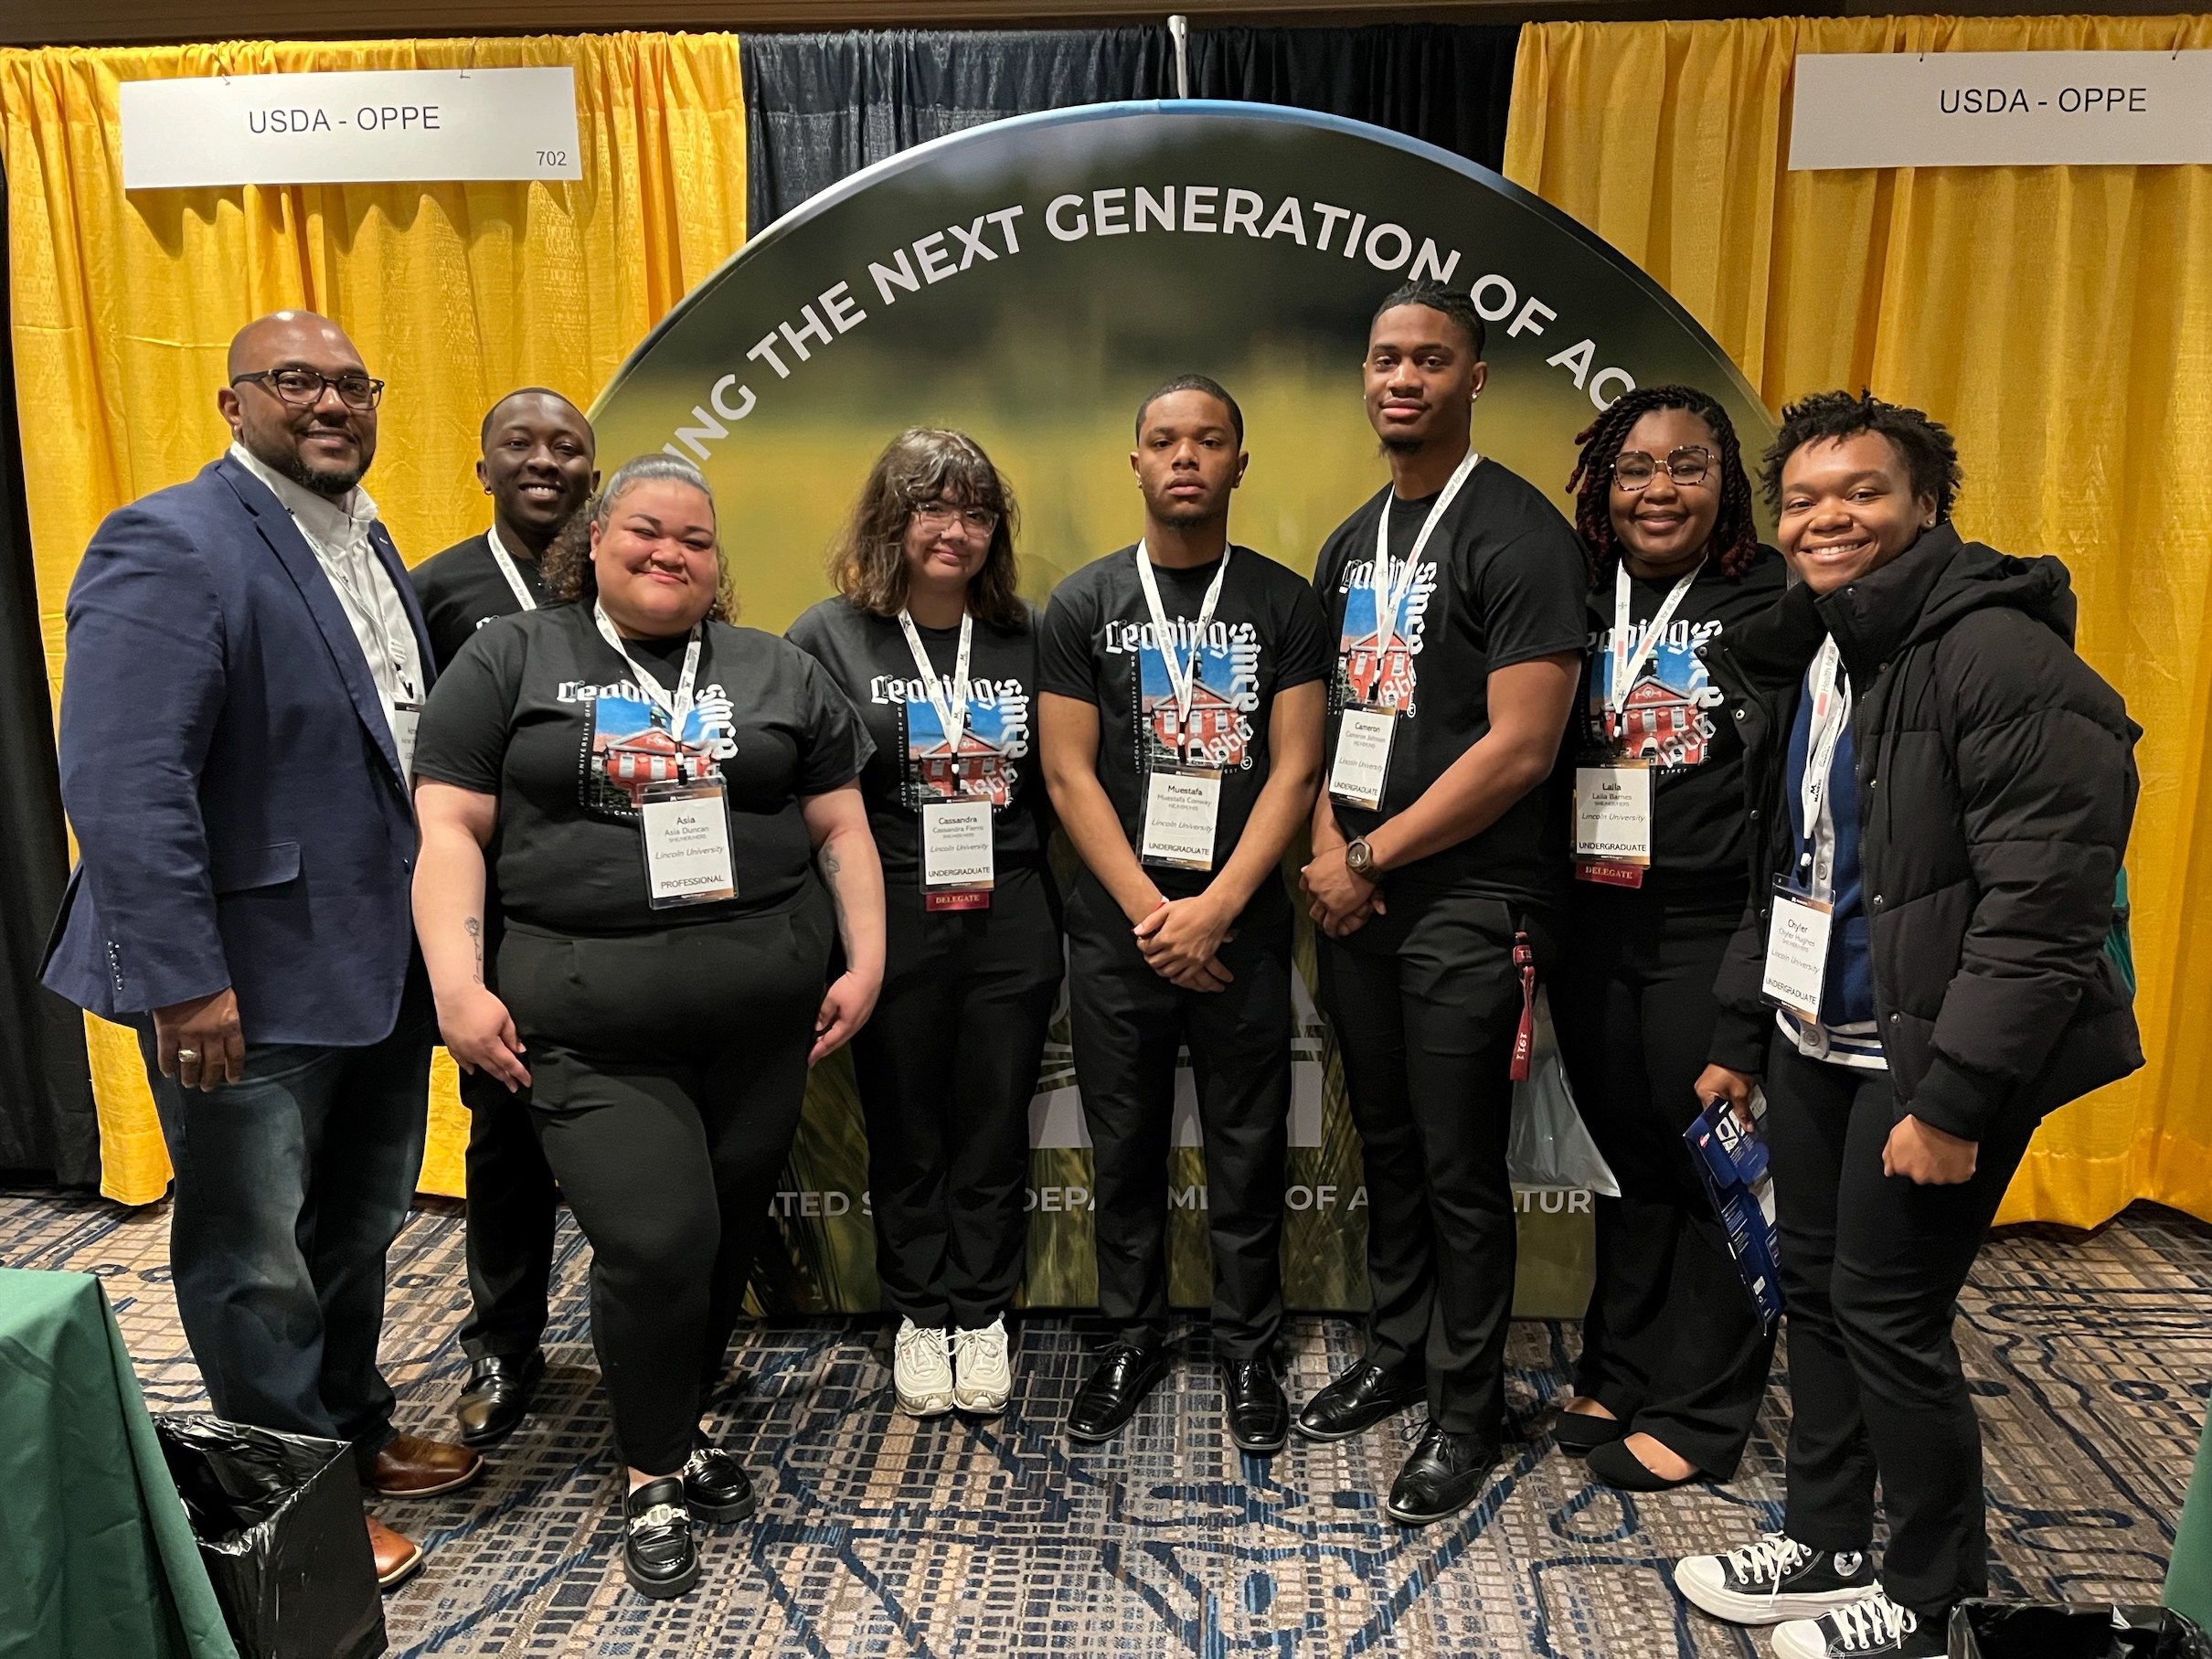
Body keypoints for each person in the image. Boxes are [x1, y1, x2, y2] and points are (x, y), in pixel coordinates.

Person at [1672, 393, 2142, 1658]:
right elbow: (1793, 864)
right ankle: (1825, 1538)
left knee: (1889, 1311)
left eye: (1863, 492)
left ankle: (1937, 1593)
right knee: (1816, 1293)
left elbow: (2048, 906)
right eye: (1807, 497)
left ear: (1926, 505)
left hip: (1934, 1050)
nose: (1830, 518)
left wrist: (1952, 1100)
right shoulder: (1823, 646)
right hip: (1820, 1030)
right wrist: (1741, 1024)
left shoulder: (1999, 657)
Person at [43, 310, 481, 1592]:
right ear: (234, 403)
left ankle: (347, 1426)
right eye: (297, 381)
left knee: (353, 1224)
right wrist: (183, 975)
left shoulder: (364, 535)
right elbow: (122, 775)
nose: (332, 403)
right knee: (251, 1253)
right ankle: (292, 1502)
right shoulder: (171, 541)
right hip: (239, 980)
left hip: (370, 960)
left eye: (355, 383)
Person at [409, 453, 884, 1600]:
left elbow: (840, 828)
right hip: (586, 1026)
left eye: (695, 539)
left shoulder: (772, 668)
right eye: (644, 531)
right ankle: (650, 1471)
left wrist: (866, 958)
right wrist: (458, 986)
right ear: (595, 542)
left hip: (761, 1022)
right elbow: (451, 835)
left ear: (719, 563)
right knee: (657, 1240)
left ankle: (680, 1418)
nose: (669, 552)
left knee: (717, 1238)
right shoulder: (511, 656)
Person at [1298, 281, 1588, 1526]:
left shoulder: (1519, 535)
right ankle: (1400, 1342)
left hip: (1471, 897)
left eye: (1429, 359)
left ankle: (1467, 1403)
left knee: (1464, 1165)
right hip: (1360, 894)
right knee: (1395, 1150)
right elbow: (1326, 724)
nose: (1400, 379)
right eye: (1382, 360)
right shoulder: (1353, 538)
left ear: (1476, 378)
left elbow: (1522, 747)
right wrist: (1327, 850)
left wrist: (1370, 860)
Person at [1037, 374, 1327, 1453]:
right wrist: (1159, 915)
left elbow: (1297, 770)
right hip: (1119, 927)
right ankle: (1127, 1337)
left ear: (1239, 464)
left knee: (1247, 1146)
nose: (1186, 459)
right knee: (1125, 1146)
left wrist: (1214, 911)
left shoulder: (1284, 602)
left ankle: (1249, 1350)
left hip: (1239, 923)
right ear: (1136, 462)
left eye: (1209, 440)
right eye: (1164, 441)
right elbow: (1067, 775)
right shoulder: (1082, 603)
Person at [787, 430, 1059, 1420]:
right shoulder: (827, 636)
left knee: (992, 1119)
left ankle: (979, 1312)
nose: (955, 531)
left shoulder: (1028, 635)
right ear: (889, 522)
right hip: (889, 912)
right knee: (905, 1125)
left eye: (976, 512)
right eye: (931, 509)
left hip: (1011, 911)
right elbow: (807, 796)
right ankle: (919, 1310)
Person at [1544, 386, 1786, 1493]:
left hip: (1709, 917)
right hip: (1593, 913)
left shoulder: (1774, 599)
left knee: (1711, 1161)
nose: (1658, 490)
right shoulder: (1576, 592)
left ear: (1725, 481)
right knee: (1628, 1157)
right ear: (1603, 484)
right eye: (1634, 468)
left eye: (1685, 466)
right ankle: (1620, 1363)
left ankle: (1703, 1406)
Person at [409, 388, 598, 1449]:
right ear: (481, 466)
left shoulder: (624, 589)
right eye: (518, 446)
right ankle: (502, 1342)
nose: (543, 462)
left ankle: (659, 1351)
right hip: (496, 919)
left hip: (615, 916)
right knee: (508, 1141)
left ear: (592, 471)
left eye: (566, 448)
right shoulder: (438, 589)